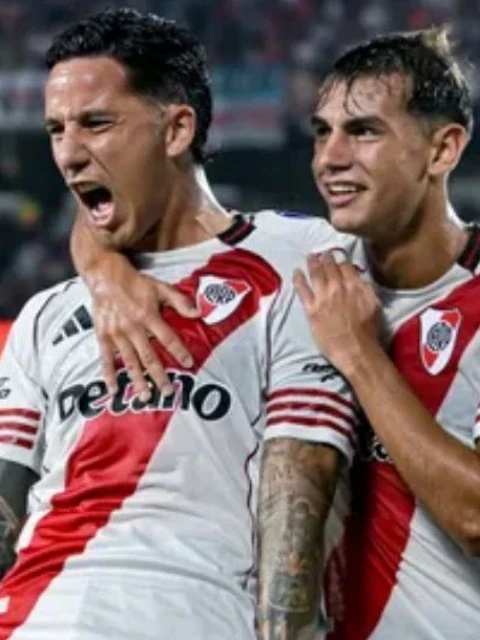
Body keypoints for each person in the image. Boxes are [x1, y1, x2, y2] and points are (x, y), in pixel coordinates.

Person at [73, 25, 480, 639]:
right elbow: (115, 204)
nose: (330, 158)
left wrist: (360, 356)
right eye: (321, 132)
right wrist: (105, 274)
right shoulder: (302, 257)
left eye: (364, 131)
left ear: (443, 149)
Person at [0, 9, 360, 640]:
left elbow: (301, 477)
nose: (69, 153)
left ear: (177, 130)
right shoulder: (47, 312)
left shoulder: (300, 260)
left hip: (190, 610)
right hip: (33, 614)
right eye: (57, 129)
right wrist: (101, 270)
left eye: (97, 124)